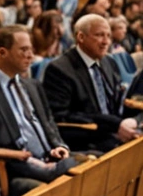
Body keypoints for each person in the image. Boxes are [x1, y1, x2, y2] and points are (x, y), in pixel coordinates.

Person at [0, 26, 78, 192]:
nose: (31, 56)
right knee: (68, 180)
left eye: (31, 50)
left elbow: (48, 123)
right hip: (12, 166)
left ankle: (61, 166)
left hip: (49, 157)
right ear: (2, 53)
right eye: (24, 50)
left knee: (94, 164)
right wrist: (26, 160)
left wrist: (59, 146)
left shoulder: (31, 85)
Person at [44, 14, 141, 152]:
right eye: (99, 35)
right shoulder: (59, 69)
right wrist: (115, 125)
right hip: (88, 138)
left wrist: (132, 121)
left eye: (108, 36)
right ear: (81, 37)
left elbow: (116, 101)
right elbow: (61, 116)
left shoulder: (109, 62)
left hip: (115, 131)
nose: (105, 41)